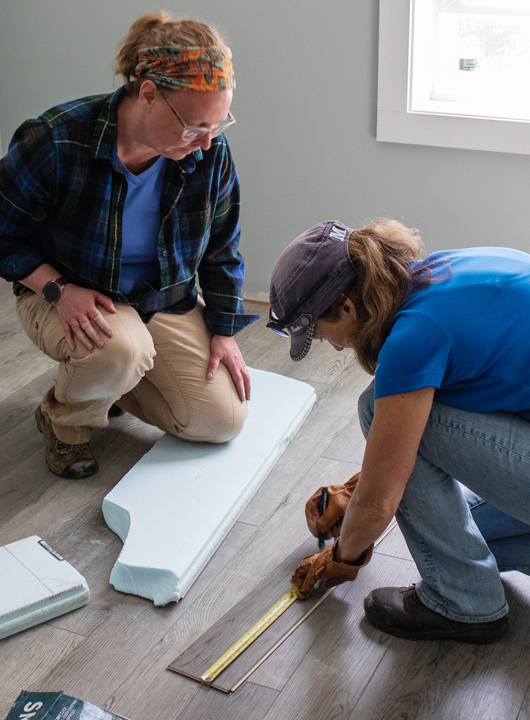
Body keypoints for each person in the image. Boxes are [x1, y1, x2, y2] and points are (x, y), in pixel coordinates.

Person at [0, 11, 258, 479]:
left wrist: (223, 330)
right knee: (118, 350)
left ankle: (105, 384)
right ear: (147, 94)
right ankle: (65, 421)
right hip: (66, 290)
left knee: (222, 421)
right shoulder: (56, 139)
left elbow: (223, 245)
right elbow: (2, 232)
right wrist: (58, 289)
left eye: (218, 126)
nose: (204, 145)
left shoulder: (210, 153)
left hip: (161, 297)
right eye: (194, 127)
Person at [267, 218, 530, 643]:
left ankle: (466, 605)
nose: (333, 345)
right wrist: (356, 490)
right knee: (471, 550)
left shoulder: (414, 338)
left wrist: (343, 557)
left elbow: (378, 503)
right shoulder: (446, 271)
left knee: (374, 406)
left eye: (320, 332)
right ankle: (467, 582)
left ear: (347, 306)